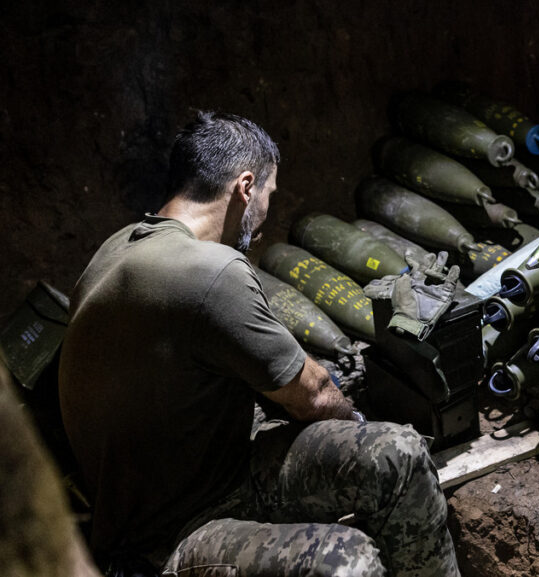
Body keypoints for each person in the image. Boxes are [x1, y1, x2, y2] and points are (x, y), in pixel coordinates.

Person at [58, 111, 461, 577]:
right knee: (349, 562)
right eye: (270, 195)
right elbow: (312, 395)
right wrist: (354, 424)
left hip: (221, 468)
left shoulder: (112, 251)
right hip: (170, 534)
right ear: (245, 188)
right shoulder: (210, 270)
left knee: (400, 455)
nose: (268, 213)